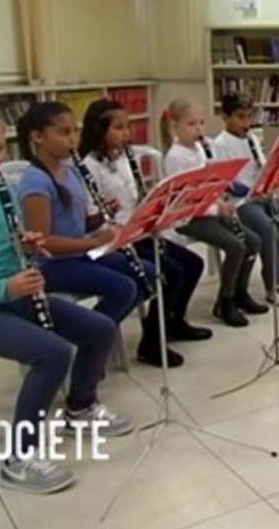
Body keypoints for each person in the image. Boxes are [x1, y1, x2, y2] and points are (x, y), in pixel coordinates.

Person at [0, 111, 133, 494]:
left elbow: (6, 242)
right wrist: (2, 288)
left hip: (14, 294)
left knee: (98, 328)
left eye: (0, 147)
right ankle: (19, 458)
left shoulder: (0, 190)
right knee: (52, 353)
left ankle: (80, 407)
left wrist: (26, 242)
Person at [14, 102, 166, 365]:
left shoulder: (70, 170)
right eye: (64, 133)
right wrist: (95, 242)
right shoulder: (35, 182)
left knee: (148, 272)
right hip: (51, 265)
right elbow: (43, 242)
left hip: (78, 253)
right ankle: (89, 344)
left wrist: (100, 217)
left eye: (74, 131)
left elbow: (76, 223)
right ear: (37, 137)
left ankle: (95, 334)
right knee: (123, 288)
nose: (72, 139)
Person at [78, 99, 212, 345]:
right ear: (100, 130)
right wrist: (119, 225)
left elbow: (134, 199)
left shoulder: (123, 158)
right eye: (118, 128)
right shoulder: (89, 165)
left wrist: (151, 211)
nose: (126, 134)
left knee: (193, 263)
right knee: (171, 272)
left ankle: (174, 321)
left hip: (137, 232)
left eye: (127, 127)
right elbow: (91, 216)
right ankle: (152, 339)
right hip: (112, 239)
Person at [161, 98, 267, 328]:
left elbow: (210, 182)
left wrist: (223, 191)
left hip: (209, 210)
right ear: (175, 126)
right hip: (188, 217)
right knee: (236, 246)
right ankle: (225, 301)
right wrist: (218, 208)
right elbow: (186, 201)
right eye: (191, 124)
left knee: (253, 241)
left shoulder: (201, 148)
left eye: (201, 123)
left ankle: (240, 292)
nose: (198, 129)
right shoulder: (176, 157)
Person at [213, 93, 279, 308]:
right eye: (240, 117)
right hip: (240, 203)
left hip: (261, 196)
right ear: (225, 118)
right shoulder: (220, 144)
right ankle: (275, 285)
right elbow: (224, 182)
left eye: (248, 117)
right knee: (268, 230)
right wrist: (250, 190)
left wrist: (271, 180)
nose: (246, 123)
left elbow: (263, 166)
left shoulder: (252, 138)